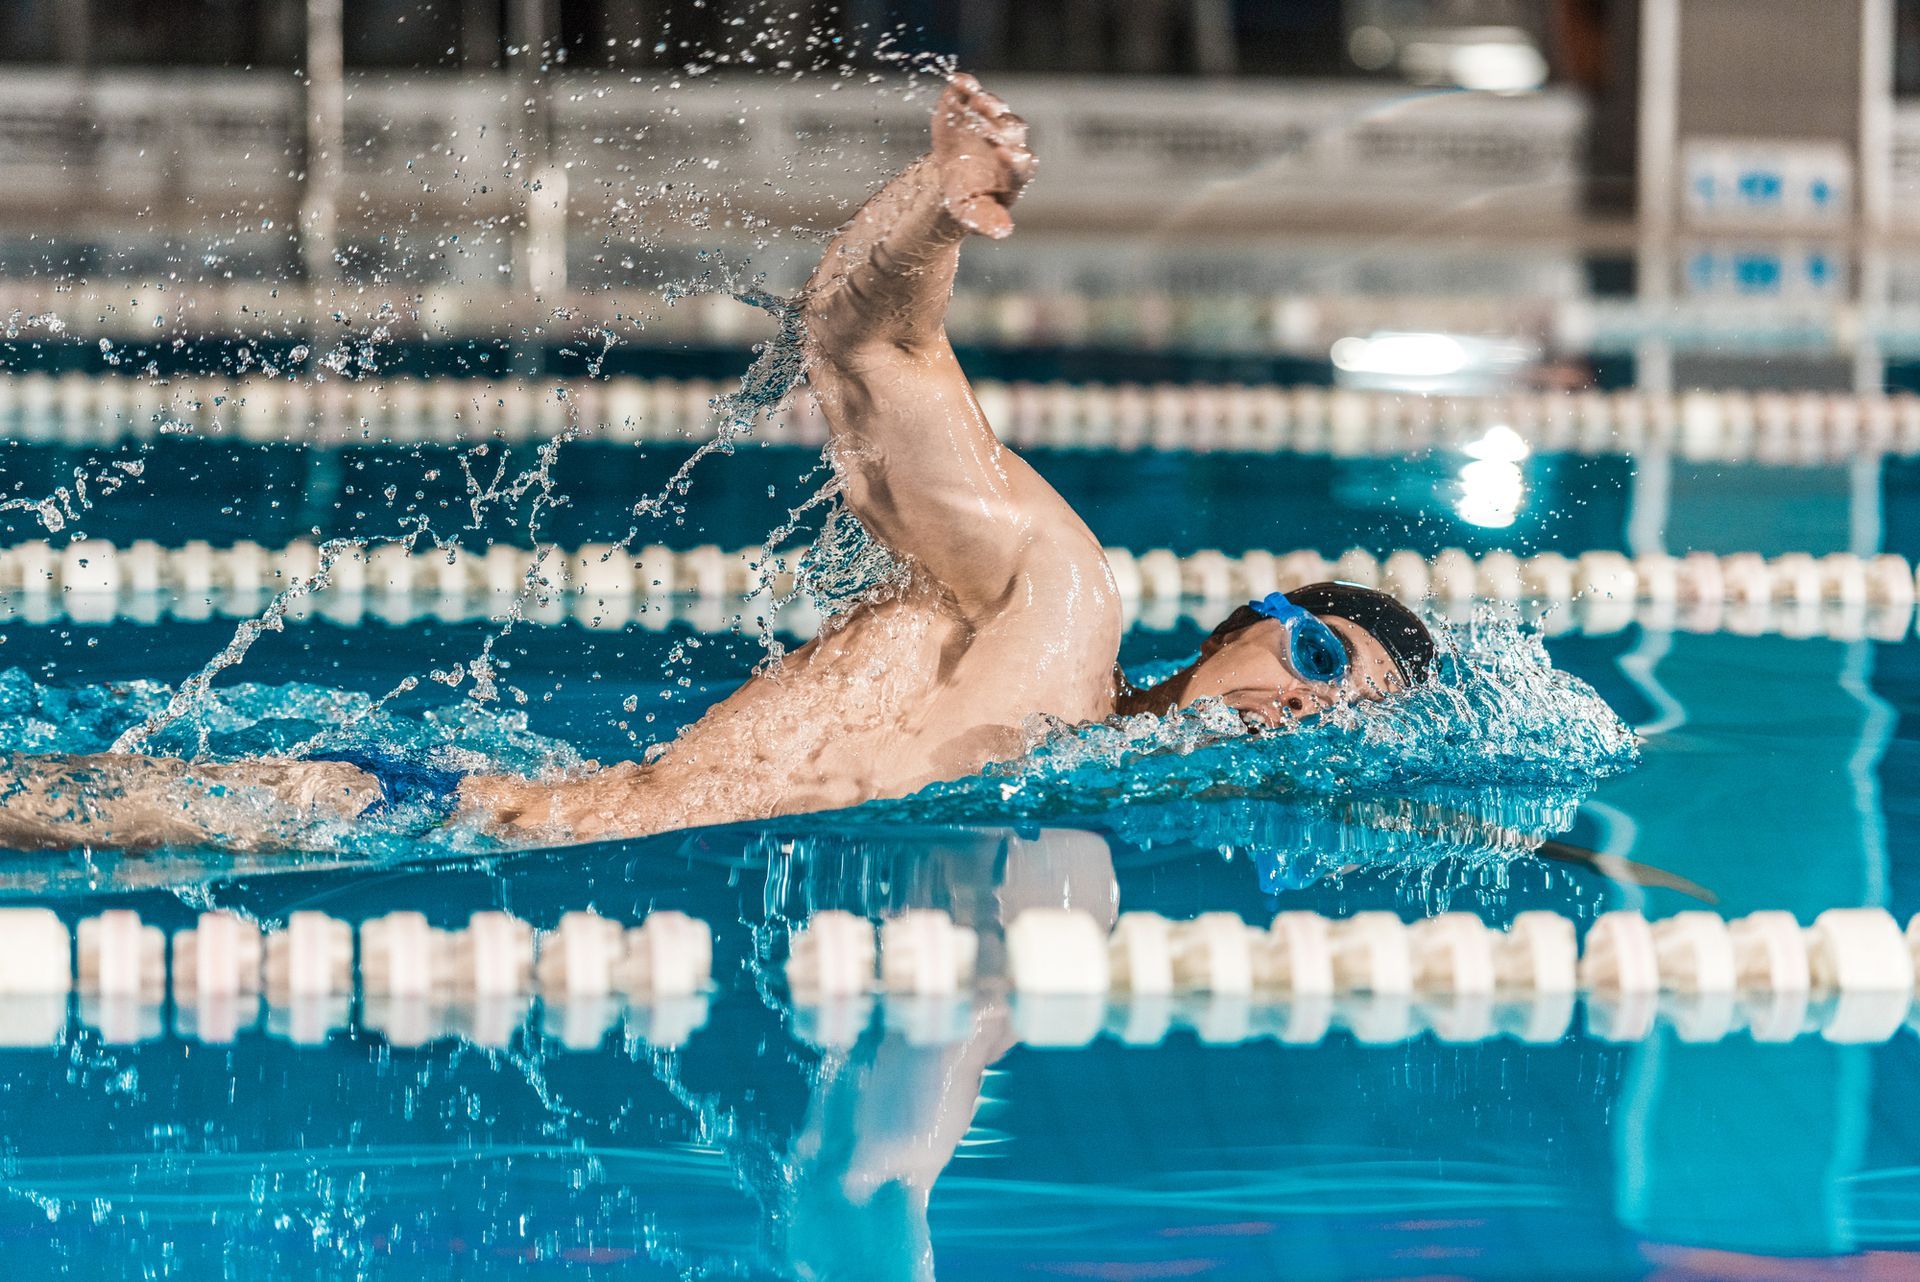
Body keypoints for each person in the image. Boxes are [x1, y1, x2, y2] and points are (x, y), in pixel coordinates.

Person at [0, 75, 1434, 854]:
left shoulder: (1079, 798)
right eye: (1313, 654)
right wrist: (935, 214)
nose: (1298, 707)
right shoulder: (1058, 606)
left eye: (1342, 712)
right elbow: (867, 355)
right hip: (439, 821)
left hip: (505, 847)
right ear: (1250, 622)